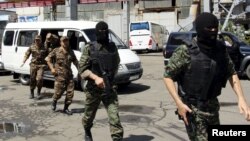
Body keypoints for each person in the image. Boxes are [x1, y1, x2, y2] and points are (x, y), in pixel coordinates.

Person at [163, 12, 250, 141]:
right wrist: (179, 103)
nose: (213, 32)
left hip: (213, 106)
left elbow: (232, 73)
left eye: (215, 28)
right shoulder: (185, 51)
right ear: (199, 29)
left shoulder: (220, 49)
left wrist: (241, 99)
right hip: (193, 109)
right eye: (209, 29)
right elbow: (167, 76)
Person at [79, 21, 123, 141]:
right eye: (101, 32)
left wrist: (111, 78)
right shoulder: (90, 48)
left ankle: (117, 138)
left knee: (115, 118)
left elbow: (117, 63)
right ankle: (87, 130)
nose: (103, 34)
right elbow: (82, 69)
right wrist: (95, 77)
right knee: (89, 116)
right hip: (93, 89)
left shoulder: (112, 47)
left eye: (105, 31)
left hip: (109, 88)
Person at [45, 36, 79, 115]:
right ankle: (54, 101)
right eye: (64, 41)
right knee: (58, 93)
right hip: (59, 75)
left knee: (70, 93)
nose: (65, 42)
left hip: (69, 75)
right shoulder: (56, 50)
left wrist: (80, 71)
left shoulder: (71, 51)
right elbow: (47, 59)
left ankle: (66, 108)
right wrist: (52, 69)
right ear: (61, 42)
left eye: (67, 41)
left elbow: (76, 62)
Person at [21, 35, 48, 100]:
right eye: (36, 40)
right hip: (33, 65)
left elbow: (48, 55)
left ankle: (38, 92)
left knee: (39, 79)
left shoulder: (44, 47)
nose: (37, 41)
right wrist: (23, 61)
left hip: (41, 65)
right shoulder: (32, 46)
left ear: (41, 40)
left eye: (38, 40)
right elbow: (27, 54)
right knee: (32, 79)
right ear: (34, 40)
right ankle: (32, 92)